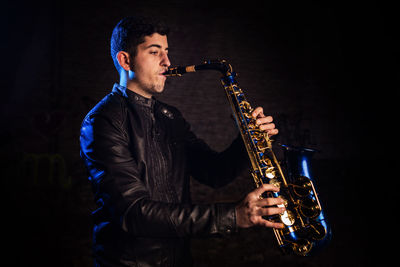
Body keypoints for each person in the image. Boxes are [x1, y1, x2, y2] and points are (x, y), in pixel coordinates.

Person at [80, 15, 285, 267]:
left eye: (167, 51)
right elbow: (133, 212)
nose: (167, 62)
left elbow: (215, 173)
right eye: (155, 52)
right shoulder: (102, 121)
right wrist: (233, 216)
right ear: (125, 60)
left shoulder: (170, 117)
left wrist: (250, 141)